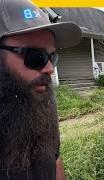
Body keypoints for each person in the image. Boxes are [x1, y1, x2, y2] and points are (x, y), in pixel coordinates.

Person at [0, 0, 82, 179]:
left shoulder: (40, 101)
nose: (49, 68)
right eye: (35, 56)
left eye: (52, 56)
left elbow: (54, 158)